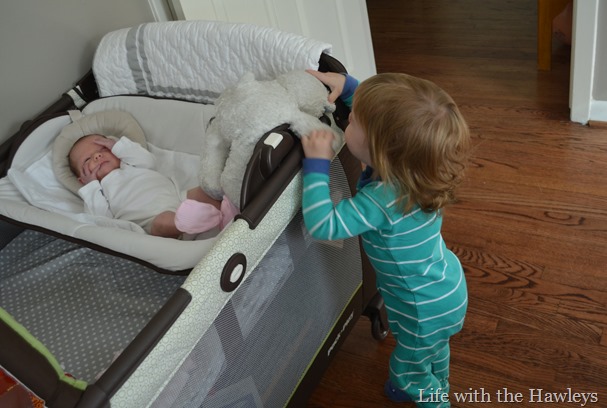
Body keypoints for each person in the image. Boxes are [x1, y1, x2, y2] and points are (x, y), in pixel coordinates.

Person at [302, 70, 470, 407]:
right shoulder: (418, 170)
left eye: (354, 120)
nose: (348, 118)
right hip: (445, 289)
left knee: (407, 371)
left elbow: (323, 225)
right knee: (433, 347)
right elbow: (385, 125)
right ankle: (440, 380)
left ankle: (433, 398)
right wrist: (349, 86)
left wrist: (317, 165)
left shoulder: (381, 201)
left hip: (419, 308)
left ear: (379, 149)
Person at [68, 133, 238, 238]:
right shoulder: (99, 191)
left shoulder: (130, 163)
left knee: (206, 191)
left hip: (176, 197)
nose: (97, 156)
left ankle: (225, 212)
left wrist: (118, 146)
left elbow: (149, 161)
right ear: (82, 180)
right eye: (87, 160)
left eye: (103, 150)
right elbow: (101, 219)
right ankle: (189, 220)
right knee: (162, 223)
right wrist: (91, 188)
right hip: (149, 219)